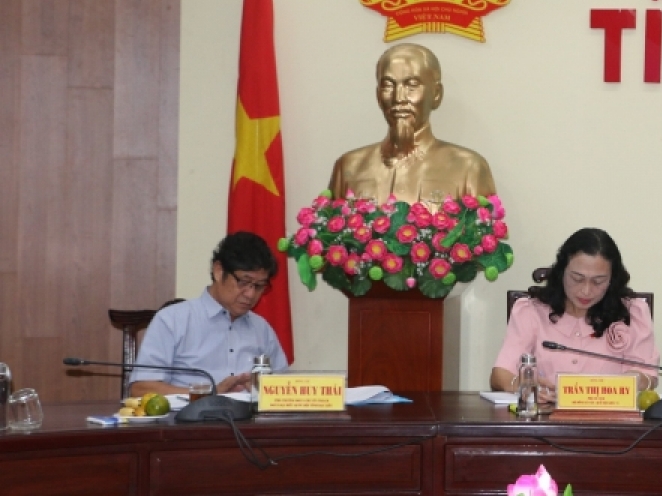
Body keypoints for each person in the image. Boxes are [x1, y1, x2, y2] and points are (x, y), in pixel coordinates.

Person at [491, 228, 658, 401]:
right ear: (561, 271)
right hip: (545, 416)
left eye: (598, 281)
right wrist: (522, 385)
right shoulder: (531, 311)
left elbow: (648, 375)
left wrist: (634, 380)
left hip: (609, 416)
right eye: (577, 279)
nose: (586, 291)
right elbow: (500, 374)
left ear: (612, 279)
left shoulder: (632, 313)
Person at [328, 43, 496, 205]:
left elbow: (483, 223)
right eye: (388, 85)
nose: (398, 98)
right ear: (378, 95)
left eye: (412, 85)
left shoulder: (468, 168)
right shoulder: (349, 167)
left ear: (436, 94)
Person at [129, 232, 290, 397]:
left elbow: (285, 391)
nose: (250, 294)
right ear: (218, 271)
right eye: (244, 282)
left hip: (250, 414)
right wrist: (209, 394)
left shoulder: (261, 329)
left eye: (259, 286)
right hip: (191, 414)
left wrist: (262, 391)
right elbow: (141, 389)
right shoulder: (172, 320)